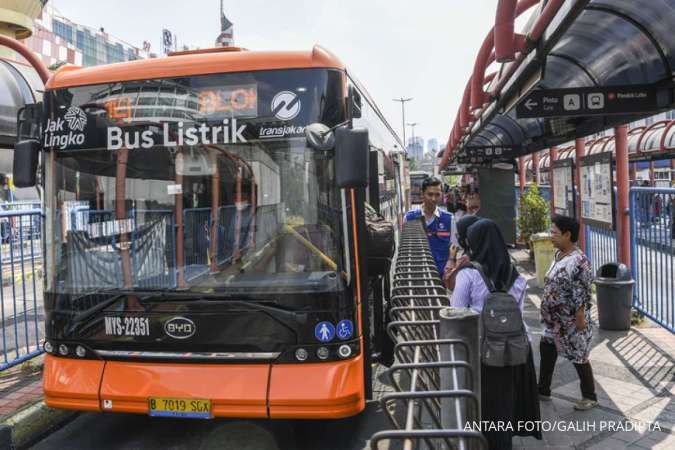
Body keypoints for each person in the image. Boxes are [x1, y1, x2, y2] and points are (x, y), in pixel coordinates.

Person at [449, 218, 542, 450]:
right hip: (515, 351)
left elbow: (456, 314)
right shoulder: (516, 276)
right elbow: (518, 316)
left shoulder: (468, 275)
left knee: (485, 406)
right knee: (505, 406)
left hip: (481, 353)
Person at [538, 215, 598, 411]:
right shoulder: (559, 255)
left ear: (567, 235)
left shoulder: (579, 261)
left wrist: (580, 316)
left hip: (570, 320)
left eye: (554, 233)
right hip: (552, 321)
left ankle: (589, 396)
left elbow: (583, 291)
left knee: (579, 355)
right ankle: (543, 389)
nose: (551, 236)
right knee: (547, 350)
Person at [404, 176, 457, 274]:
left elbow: (454, 245)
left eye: (437, 194)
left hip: (441, 274)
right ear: (422, 194)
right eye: (430, 194)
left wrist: (451, 261)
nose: (434, 199)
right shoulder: (409, 218)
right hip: (418, 274)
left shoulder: (449, 219)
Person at [442, 214, 481, 290]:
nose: (458, 237)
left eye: (459, 234)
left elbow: (449, 282)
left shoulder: (466, 259)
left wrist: (451, 258)